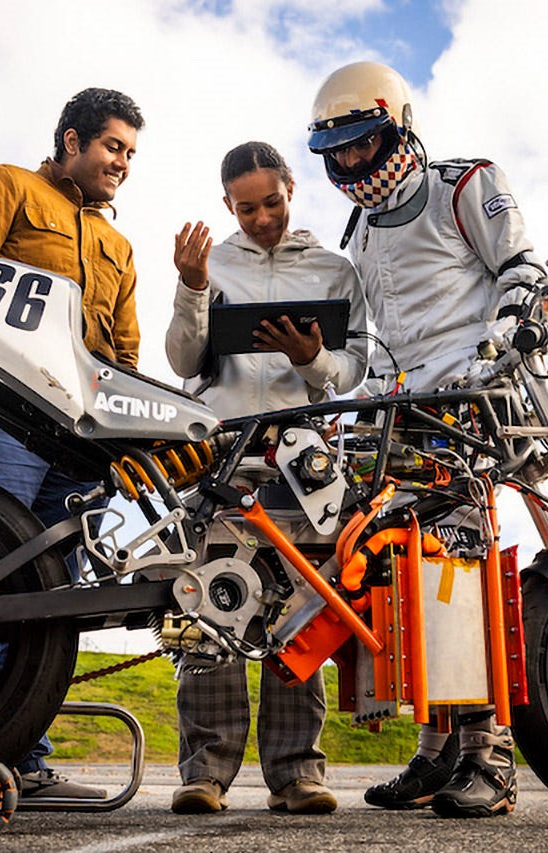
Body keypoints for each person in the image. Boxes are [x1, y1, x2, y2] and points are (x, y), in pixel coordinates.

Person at [306, 61, 548, 818]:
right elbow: (382, 344)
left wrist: (511, 334)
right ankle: (436, 753)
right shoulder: (361, 234)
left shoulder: (464, 184)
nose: (350, 162)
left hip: (470, 404)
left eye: (362, 143)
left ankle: (490, 756)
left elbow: (523, 269)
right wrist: (356, 409)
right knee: (397, 583)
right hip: (402, 418)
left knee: (460, 577)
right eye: (336, 150)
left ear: (398, 126)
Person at [0, 87, 144, 801]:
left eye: (130, 153)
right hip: (2, 417)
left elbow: (123, 350)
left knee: (51, 595)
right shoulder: (6, 188)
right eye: (114, 147)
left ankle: (20, 756)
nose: (123, 163)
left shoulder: (119, 247)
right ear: (71, 139)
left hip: (81, 440)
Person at [165, 141, 368, 815]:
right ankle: (205, 773)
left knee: (297, 616)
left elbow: (356, 367)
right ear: (228, 205)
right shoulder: (211, 263)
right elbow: (183, 358)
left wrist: (315, 360)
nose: (260, 218)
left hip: (302, 468)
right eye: (246, 208)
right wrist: (193, 287)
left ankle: (297, 774)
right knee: (212, 613)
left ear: (291, 189)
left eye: (272, 203)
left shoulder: (335, 270)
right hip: (222, 463)